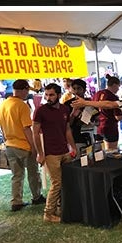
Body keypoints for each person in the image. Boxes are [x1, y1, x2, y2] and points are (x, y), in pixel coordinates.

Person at [0, 80, 45, 212]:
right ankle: (36, 196)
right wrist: (34, 147)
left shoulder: (3, 105)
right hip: (23, 145)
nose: (27, 93)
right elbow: (27, 129)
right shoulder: (22, 106)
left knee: (16, 175)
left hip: (9, 145)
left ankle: (16, 201)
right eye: (27, 90)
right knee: (33, 173)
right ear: (24, 89)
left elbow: (1, 126)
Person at [33, 83, 75, 223]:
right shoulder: (40, 111)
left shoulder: (64, 109)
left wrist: (72, 147)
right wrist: (40, 153)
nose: (48, 97)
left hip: (64, 151)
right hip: (51, 153)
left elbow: (67, 129)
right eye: (46, 95)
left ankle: (61, 208)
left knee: (67, 181)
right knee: (56, 183)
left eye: (51, 95)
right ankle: (48, 214)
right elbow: (35, 132)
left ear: (58, 94)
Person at [92, 76, 122, 151]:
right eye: (118, 86)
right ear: (115, 85)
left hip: (98, 127)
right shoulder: (113, 97)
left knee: (99, 154)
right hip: (110, 127)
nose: (118, 89)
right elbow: (118, 117)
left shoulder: (97, 94)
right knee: (111, 152)